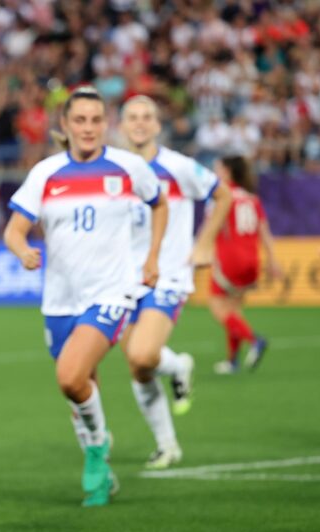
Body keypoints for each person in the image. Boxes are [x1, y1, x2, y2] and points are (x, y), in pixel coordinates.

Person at [3, 87, 168, 507]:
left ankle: (96, 450)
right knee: (80, 388)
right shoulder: (46, 172)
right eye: (80, 120)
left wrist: (152, 256)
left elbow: (159, 204)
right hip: (60, 299)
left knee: (70, 376)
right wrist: (23, 251)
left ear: (106, 124)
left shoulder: (129, 166)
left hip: (112, 293)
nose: (89, 128)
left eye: (96, 120)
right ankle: (101, 463)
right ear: (65, 124)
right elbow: (14, 230)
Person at [118, 96, 233, 469]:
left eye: (146, 117)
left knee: (142, 354)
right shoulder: (115, 169)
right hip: (123, 279)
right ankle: (167, 445)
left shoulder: (178, 166)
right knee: (138, 366)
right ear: (122, 125)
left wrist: (204, 242)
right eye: (132, 117)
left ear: (157, 125)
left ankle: (177, 365)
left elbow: (223, 194)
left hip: (167, 274)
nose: (139, 123)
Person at [207, 156, 281, 375]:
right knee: (234, 311)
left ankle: (255, 340)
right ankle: (232, 361)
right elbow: (264, 231)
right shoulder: (251, 198)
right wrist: (273, 260)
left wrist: (200, 251)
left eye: (218, 168)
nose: (215, 172)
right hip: (251, 259)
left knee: (218, 307)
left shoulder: (221, 196)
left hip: (229, 258)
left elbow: (211, 228)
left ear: (227, 171)